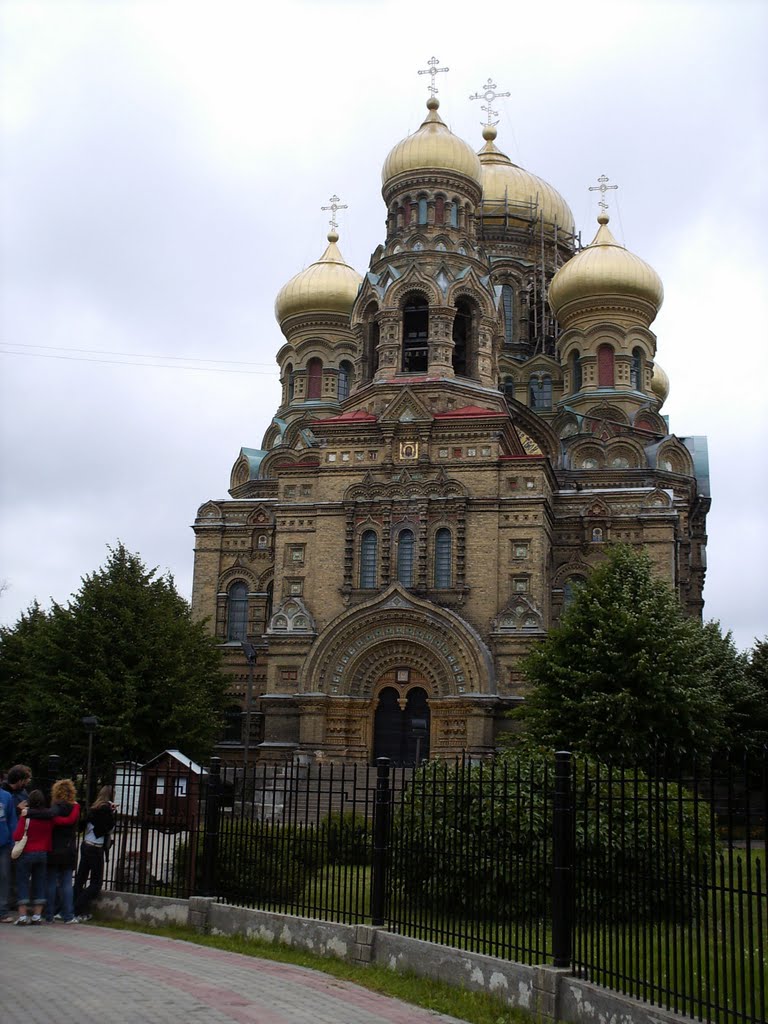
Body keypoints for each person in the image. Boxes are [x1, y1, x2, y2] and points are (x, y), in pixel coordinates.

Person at [12, 790, 77, 925]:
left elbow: (17, 835)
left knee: (23, 883)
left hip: (26, 853)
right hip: (43, 853)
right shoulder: (49, 819)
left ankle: (23, 917)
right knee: (40, 883)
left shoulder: (26, 816)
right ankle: (37, 916)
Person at [35, 779, 80, 923]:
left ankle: (49, 914)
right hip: (68, 848)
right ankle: (68, 915)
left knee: (51, 882)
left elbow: (49, 818)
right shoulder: (75, 808)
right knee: (66, 882)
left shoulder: (55, 808)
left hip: (53, 847)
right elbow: (73, 822)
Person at [74, 786, 116, 921]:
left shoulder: (93, 808)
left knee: (80, 878)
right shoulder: (104, 810)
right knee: (96, 883)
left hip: (86, 844)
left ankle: (68, 908)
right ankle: (78, 907)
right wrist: (112, 812)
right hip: (95, 848)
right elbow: (107, 828)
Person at [0, 785, 18, 923]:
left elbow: (12, 821)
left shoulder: (6, 796)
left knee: (4, 876)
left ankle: (2, 911)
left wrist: (13, 842)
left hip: (4, 844)